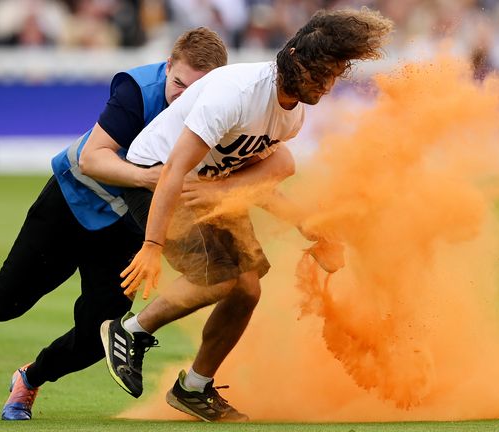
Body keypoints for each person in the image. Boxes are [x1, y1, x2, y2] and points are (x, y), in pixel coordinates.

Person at [0, 27, 228, 421]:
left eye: (195, 90)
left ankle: (30, 378)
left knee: (100, 338)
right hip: (71, 201)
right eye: (178, 83)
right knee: (3, 303)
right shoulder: (136, 91)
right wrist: (156, 179)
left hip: (124, 227)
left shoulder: (218, 111)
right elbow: (94, 159)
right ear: (168, 67)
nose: (184, 96)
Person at [99, 8, 393, 422]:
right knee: (221, 278)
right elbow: (172, 171)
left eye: (334, 75)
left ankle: (194, 388)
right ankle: (129, 331)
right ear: (293, 57)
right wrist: (152, 244)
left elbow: (256, 183)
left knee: (247, 290)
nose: (326, 85)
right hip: (158, 178)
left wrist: (313, 231)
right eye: (319, 73)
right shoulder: (235, 94)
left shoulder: (291, 116)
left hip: (204, 185)